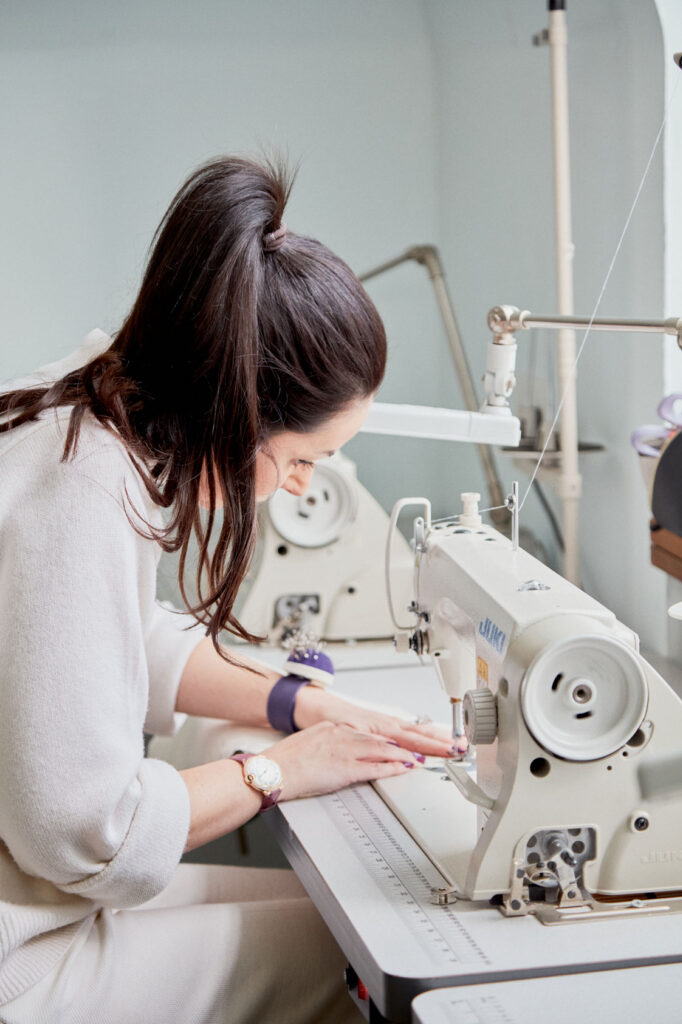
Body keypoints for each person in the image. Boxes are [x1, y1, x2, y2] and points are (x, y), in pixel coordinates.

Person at [0, 156, 454, 1024]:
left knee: (334, 922)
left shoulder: (76, 409)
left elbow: (117, 634)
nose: (295, 488)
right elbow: (87, 836)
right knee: (362, 958)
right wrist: (278, 771)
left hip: (36, 903)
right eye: (300, 462)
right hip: (24, 956)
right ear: (238, 412)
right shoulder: (83, 492)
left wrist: (297, 704)